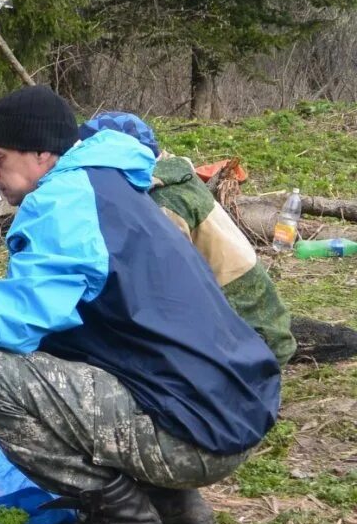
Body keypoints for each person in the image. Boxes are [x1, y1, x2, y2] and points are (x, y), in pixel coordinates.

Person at [0, 85, 280, 524]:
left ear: (43, 153)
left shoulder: (63, 201)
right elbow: (64, 314)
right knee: (58, 347)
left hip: (195, 431)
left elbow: (22, 319)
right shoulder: (109, 184)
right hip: (225, 408)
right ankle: (172, 504)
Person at [79, 111, 295, 365]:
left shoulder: (164, 203)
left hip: (248, 333)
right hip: (253, 316)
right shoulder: (175, 180)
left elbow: (167, 290)